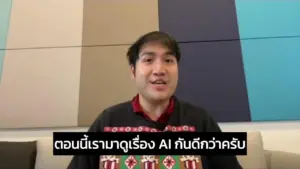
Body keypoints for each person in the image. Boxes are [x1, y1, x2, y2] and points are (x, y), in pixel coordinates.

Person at [67, 31, 243, 169]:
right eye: (148, 60)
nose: (159, 69)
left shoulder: (200, 121)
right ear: (133, 71)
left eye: (168, 60)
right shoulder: (108, 121)